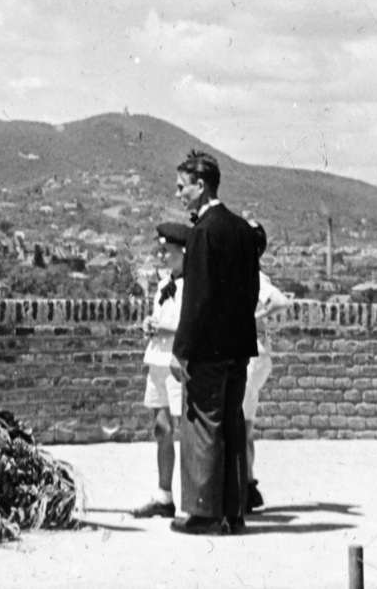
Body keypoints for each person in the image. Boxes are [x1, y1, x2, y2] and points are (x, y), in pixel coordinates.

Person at [169, 150, 266, 535]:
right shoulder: (244, 231)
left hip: (207, 352)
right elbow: (252, 292)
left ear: (201, 185)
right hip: (239, 349)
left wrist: (182, 350)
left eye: (182, 187)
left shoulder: (202, 233)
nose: (179, 194)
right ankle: (233, 512)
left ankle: (203, 513)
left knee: (202, 426)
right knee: (232, 426)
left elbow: (197, 300)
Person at [129, 222, 189, 519]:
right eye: (160, 250)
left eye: (167, 251)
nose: (161, 256)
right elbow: (160, 318)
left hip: (179, 364)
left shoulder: (194, 284)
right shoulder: (164, 285)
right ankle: (164, 497)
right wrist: (149, 325)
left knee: (189, 431)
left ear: (184, 251)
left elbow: (193, 326)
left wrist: (162, 327)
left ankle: (195, 500)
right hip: (157, 360)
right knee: (162, 428)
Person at [243, 264, 289, 512]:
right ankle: (247, 484)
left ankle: (246, 488)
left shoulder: (254, 276)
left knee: (241, 426)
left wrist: (250, 318)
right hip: (255, 354)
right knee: (244, 426)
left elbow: (280, 302)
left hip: (252, 356)